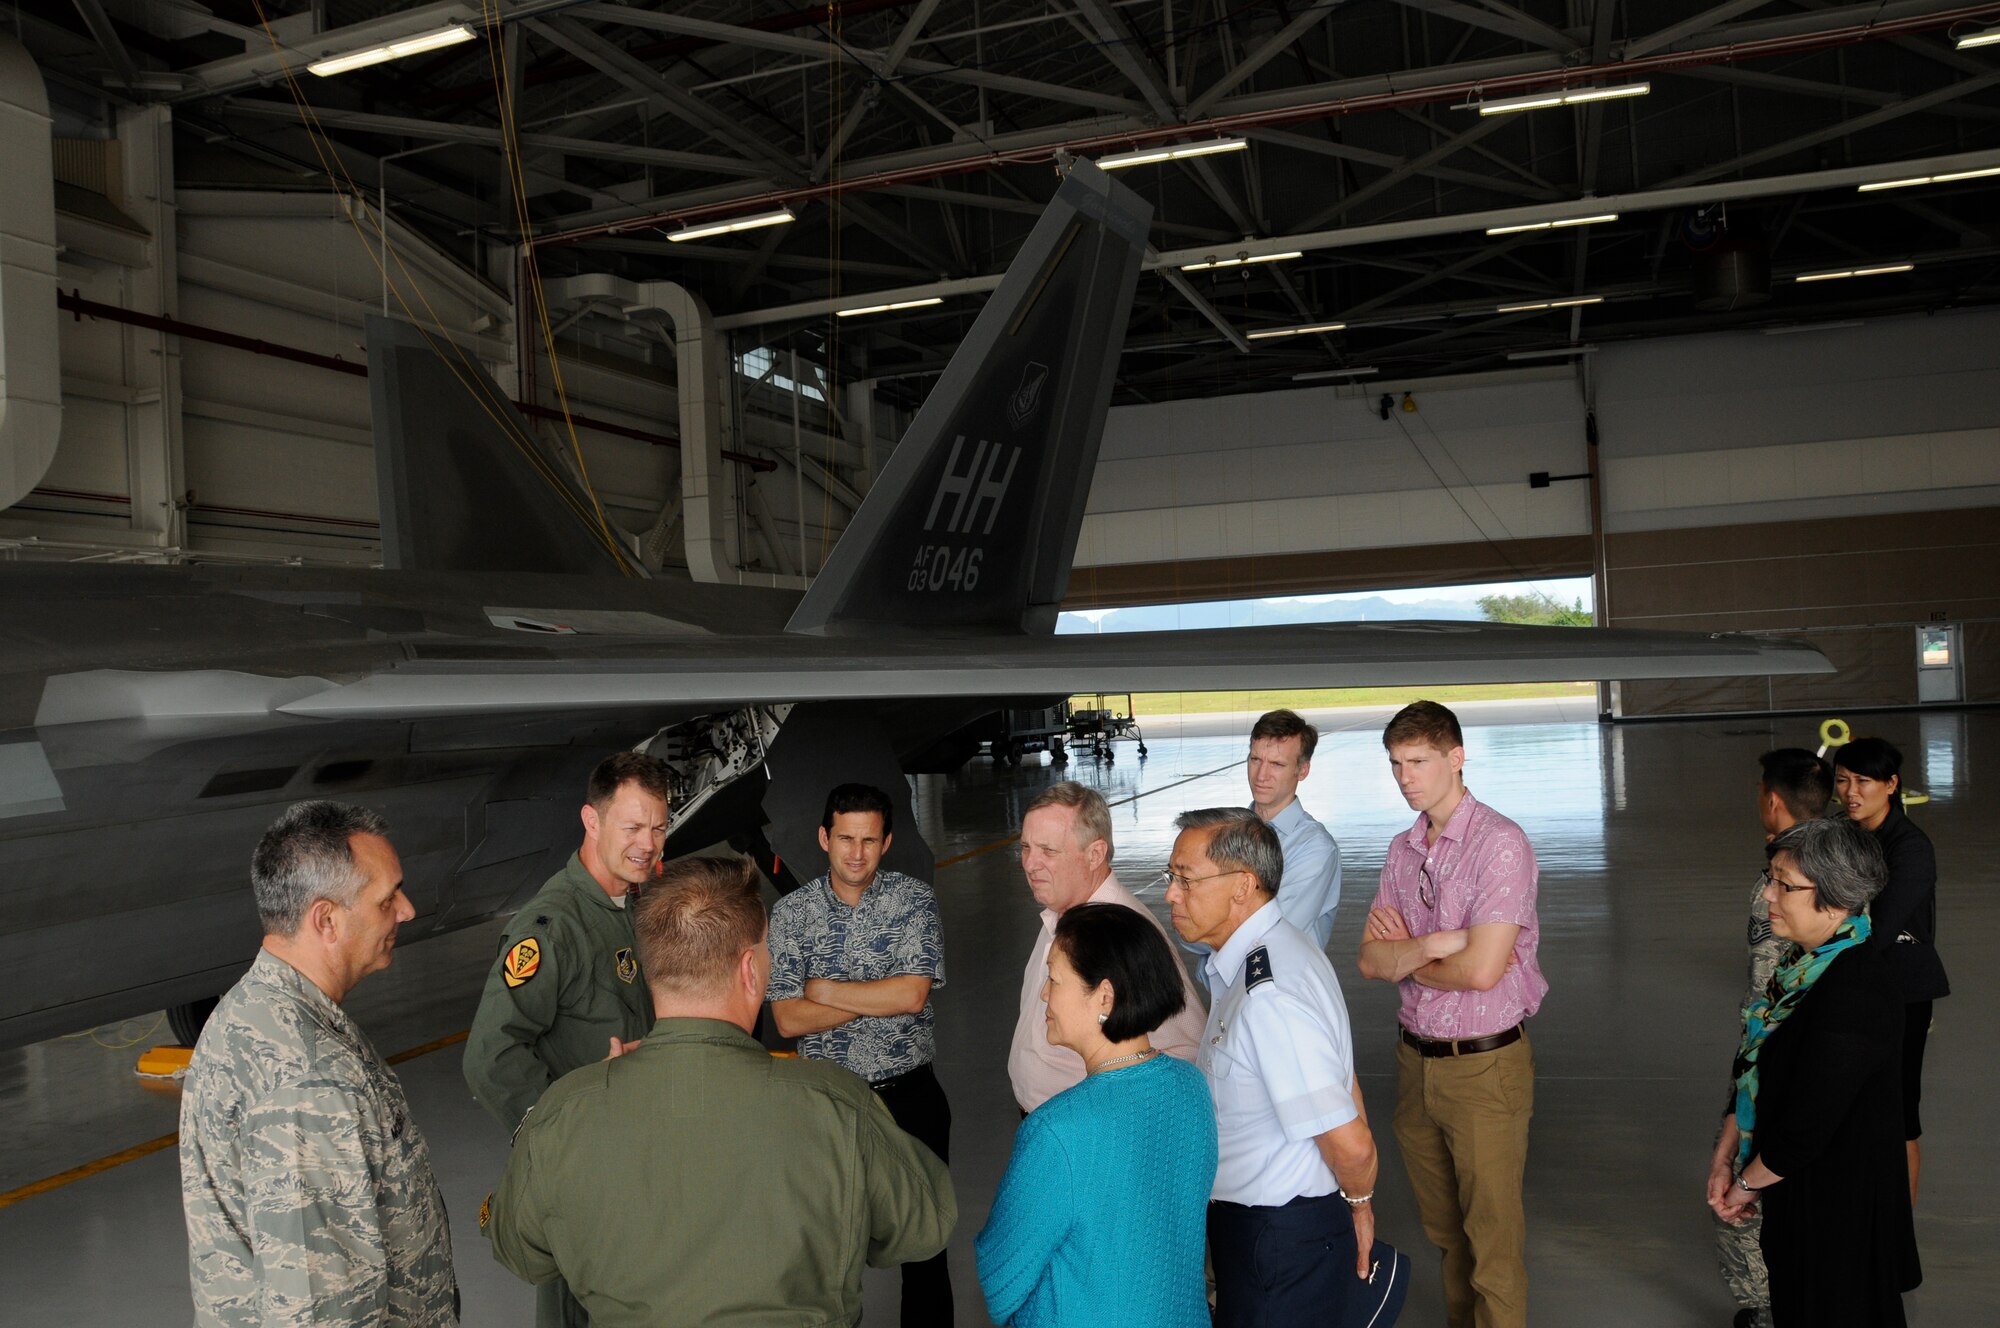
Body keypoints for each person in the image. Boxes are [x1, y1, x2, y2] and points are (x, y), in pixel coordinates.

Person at [486, 856, 957, 1327]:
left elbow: (519, 1250)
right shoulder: (837, 1104)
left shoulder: (563, 1114)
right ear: (750, 969)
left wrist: (592, 1098)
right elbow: (925, 1225)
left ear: (653, 969)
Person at [180, 801, 457, 1327]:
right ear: (326, 919)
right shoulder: (308, 1081)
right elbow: (320, 1306)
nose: (408, 910)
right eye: (386, 898)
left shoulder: (255, 1011)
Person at [464, 750, 669, 1327]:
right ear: (592, 821)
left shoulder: (629, 903)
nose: (647, 843)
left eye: (658, 827)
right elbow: (490, 1057)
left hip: (635, 1162)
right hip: (586, 1178)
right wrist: (564, 1135)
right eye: (632, 827)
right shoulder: (551, 928)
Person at [1358, 700, 1545, 1328]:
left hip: (1484, 1070)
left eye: (1417, 761)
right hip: (1416, 1063)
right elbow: (1367, 960)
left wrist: (1405, 955)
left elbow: (1483, 971)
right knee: (1449, 1238)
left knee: (1492, 1248)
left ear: (1456, 758)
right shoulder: (1401, 848)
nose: (1405, 776)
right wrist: (1436, 944)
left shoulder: (1501, 846)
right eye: (1395, 763)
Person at [1167, 808, 1386, 1327]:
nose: (1172, 894)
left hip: (1278, 1243)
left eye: (1186, 879)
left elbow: (1350, 1144)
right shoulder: (1267, 955)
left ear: (1243, 886)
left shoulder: (1269, 996)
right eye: (1170, 877)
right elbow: (1345, 1079)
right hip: (1262, 1233)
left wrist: (1360, 1204)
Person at [1707, 818, 1920, 1326]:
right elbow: (1756, 1066)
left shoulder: (1855, 992)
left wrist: (1745, 1186)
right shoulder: (1800, 967)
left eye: (1785, 885)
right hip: (1800, 1194)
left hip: (1838, 1210)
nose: (1769, 896)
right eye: (1771, 877)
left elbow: (1807, 1126)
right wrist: (1726, 1152)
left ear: (1834, 898)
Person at [978, 903, 1218, 1327]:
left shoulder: (1058, 1131)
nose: (1044, 994)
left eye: (1054, 979)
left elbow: (999, 1278)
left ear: (1104, 996)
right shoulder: (1191, 1087)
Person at [767, 783, 953, 1324]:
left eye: (869, 840)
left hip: (911, 1096)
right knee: (827, 1249)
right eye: (845, 838)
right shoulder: (791, 915)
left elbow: (913, 994)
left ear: (887, 842)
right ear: (824, 837)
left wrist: (824, 990)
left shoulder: (914, 899)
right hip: (828, 1105)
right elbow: (786, 1018)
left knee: (925, 1247)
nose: (856, 853)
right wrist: (879, 997)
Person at [1714, 748, 1832, 1328]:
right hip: (1801, 1063)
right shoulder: (1841, 862)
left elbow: (1772, 995)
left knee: (1746, 1195)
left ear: (1773, 799)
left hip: (1772, 1067)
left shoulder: (1784, 875)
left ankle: (1766, 1310)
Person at [1007, 781, 1208, 1113]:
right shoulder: (1064, 909)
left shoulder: (1123, 937)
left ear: (1095, 854)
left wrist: (1114, 1120)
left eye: (1048, 851)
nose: (1030, 864)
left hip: (1090, 1133)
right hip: (1054, 1121)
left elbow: (1189, 1048)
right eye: (1026, 847)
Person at [1833, 737, 1948, 1201]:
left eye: (1863, 781)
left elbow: (1877, 930)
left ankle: (1899, 1228)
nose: (1851, 792)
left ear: (1891, 784)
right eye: (1842, 781)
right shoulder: (1842, 833)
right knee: (1849, 1105)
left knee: (1899, 1114)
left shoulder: (1911, 848)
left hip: (1900, 991)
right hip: (1849, 987)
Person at [1247, 708, 1343, 949]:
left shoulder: (1316, 848)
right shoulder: (1224, 832)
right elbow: (1191, 933)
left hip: (1284, 985)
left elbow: (1272, 933)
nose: (1261, 775)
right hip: (1224, 987)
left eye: (1277, 764)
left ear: (1303, 771)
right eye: (1255, 759)